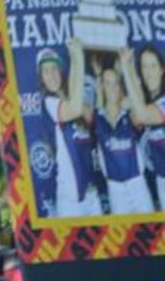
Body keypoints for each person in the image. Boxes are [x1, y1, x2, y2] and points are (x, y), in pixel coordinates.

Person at [37, 40, 103, 217]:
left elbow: (96, 120)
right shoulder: (49, 103)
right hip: (71, 200)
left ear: (61, 71)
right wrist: (77, 57)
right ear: (41, 78)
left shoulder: (76, 101)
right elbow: (75, 109)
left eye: (54, 69)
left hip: (92, 193)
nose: (51, 75)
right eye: (46, 71)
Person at [95, 54, 154, 214]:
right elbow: (99, 102)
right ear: (102, 87)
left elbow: (139, 101)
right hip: (115, 189)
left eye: (116, 83)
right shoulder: (98, 118)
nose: (113, 88)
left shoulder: (129, 113)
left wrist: (127, 65)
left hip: (138, 185)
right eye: (108, 83)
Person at [120, 44, 165, 210]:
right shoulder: (148, 100)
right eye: (144, 66)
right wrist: (131, 71)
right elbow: (126, 105)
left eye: (153, 66)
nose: (149, 72)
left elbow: (143, 115)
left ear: (162, 69)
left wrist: (126, 68)